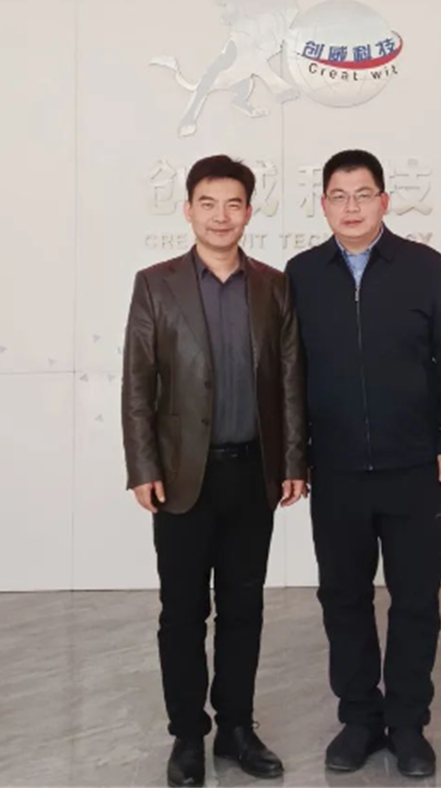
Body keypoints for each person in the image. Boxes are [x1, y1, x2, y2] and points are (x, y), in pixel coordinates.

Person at [122, 154, 307, 788]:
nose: (221, 216)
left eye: (233, 204)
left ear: (249, 212)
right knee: (181, 613)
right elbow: (138, 383)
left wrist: (293, 460)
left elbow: (289, 380)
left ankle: (236, 728)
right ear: (188, 210)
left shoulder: (273, 286)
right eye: (208, 203)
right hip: (180, 477)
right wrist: (142, 466)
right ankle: (186, 736)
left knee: (243, 608)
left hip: (252, 473)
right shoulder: (156, 284)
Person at [286, 148, 441, 779]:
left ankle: (408, 724)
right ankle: (360, 719)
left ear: (385, 201)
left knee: (416, 598)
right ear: (323, 205)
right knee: (343, 597)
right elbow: (290, 375)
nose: (351, 207)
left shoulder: (423, 267)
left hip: (414, 466)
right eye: (338, 196)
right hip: (335, 469)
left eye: (363, 194)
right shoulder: (302, 274)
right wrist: (296, 457)